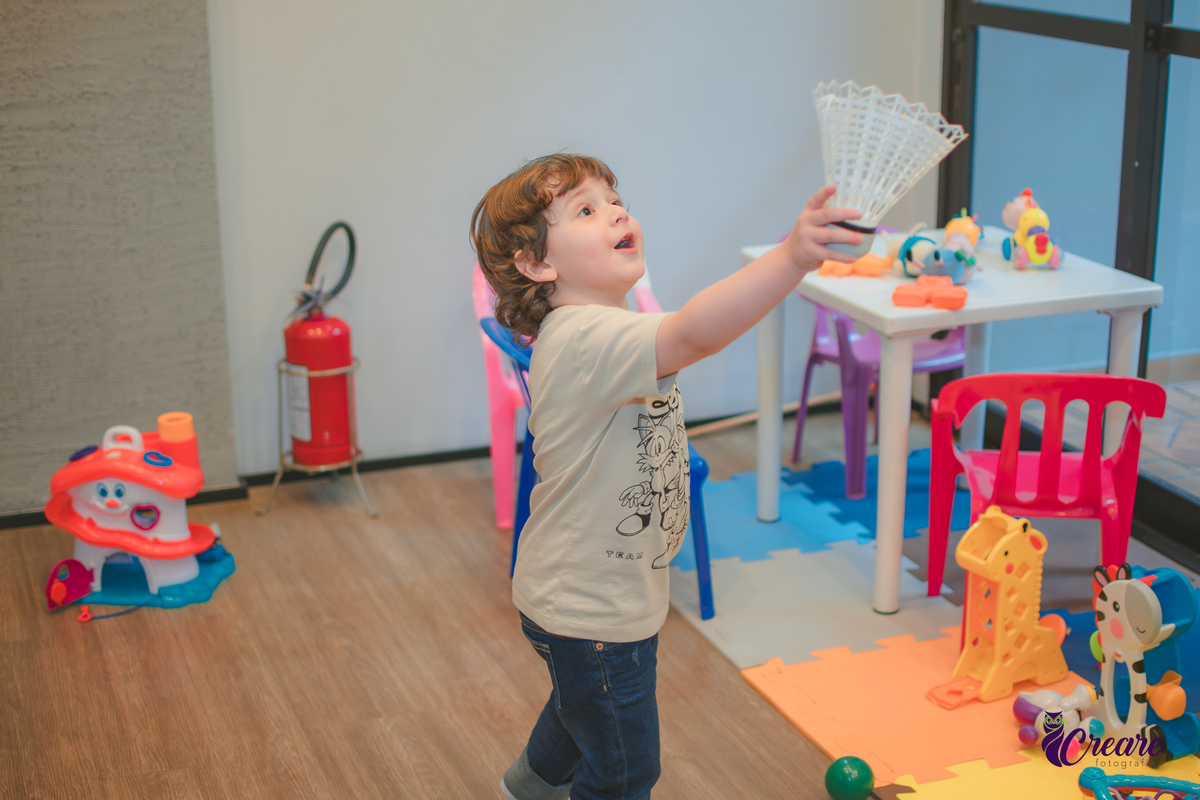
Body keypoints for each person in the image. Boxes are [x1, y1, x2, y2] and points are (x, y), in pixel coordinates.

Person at [471, 154, 861, 800]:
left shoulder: (603, 329)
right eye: (586, 211)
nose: (617, 212)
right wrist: (791, 258)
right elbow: (694, 334)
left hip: (595, 592)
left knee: (582, 713)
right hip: (592, 610)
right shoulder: (583, 339)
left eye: (613, 199)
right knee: (624, 767)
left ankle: (526, 787)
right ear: (539, 265)